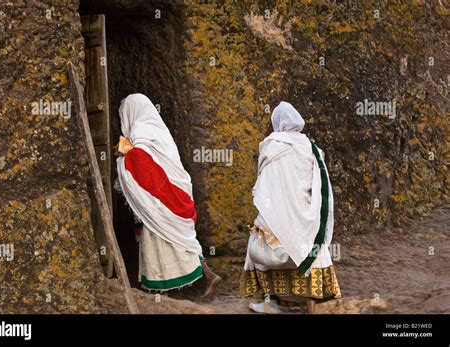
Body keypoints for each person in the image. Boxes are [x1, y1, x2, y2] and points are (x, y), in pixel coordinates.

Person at [115, 93, 221, 297]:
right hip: (175, 194)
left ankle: (163, 296)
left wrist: (122, 157)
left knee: (164, 242)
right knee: (182, 242)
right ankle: (208, 275)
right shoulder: (159, 131)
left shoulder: (140, 131)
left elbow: (142, 164)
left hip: (159, 200)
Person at [241, 101, 341, 314]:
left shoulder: (271, 145)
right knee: (314, 249)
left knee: (258, 245)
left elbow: (265, 181)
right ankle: (310, 305)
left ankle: (269, 300)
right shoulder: (312, 148)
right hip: (305, 211)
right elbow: (318, 185)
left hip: (276, 211)